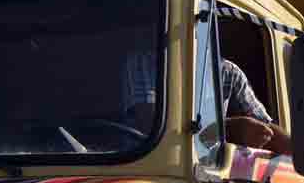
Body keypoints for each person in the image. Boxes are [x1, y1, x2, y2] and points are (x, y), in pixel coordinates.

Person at [123, 51, 290, 155]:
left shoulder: (228, 71)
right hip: (144, 163)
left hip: (208, 172)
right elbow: (151, 124)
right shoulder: (145, 63)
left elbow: (265, 128)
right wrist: (228, 129)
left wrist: (301, 154)